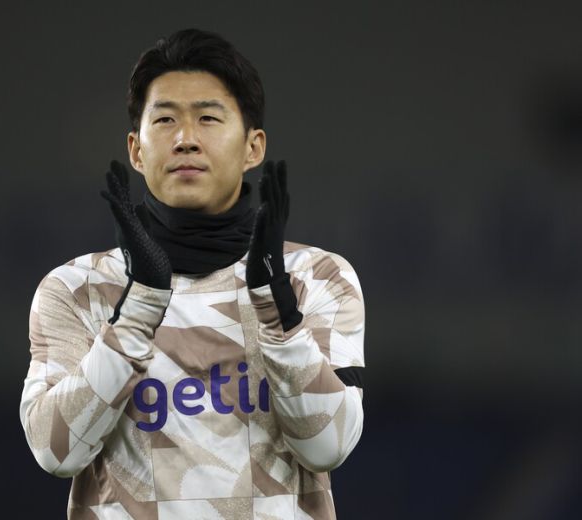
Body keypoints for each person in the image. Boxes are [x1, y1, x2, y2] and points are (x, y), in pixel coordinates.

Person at [20, 28, 365, 519]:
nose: (185, 139)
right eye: (165, 120)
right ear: (136, 151)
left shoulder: (316, 278)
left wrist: (278, 314)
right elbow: (56, 453)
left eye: (207, 118)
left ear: (253, 147)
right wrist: (137, 309)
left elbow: (328, 447)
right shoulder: (77, 289)